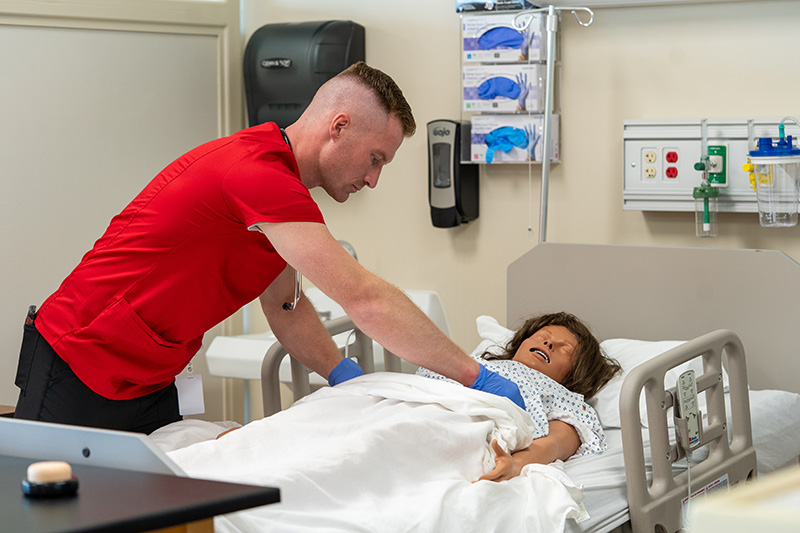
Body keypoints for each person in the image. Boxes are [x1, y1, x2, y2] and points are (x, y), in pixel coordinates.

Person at [13, 61, 524, 433]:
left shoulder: (283, 191)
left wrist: (341, 374)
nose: (372, 180)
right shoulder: (256, 174)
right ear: (337, 126)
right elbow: (364, 299)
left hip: (146, 375)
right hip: (79, 360)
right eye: (374, 159)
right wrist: (473, 374)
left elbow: (286, 306)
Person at [415, 312, 622, 482]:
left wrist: (516, 464)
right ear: (522, 342)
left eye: (564, 350)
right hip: (417, 402)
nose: (549, 344)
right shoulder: (476, 362)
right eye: (544, 336)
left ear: (575, 373)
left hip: (462, 428)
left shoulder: (565, 399)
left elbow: (556, 443)